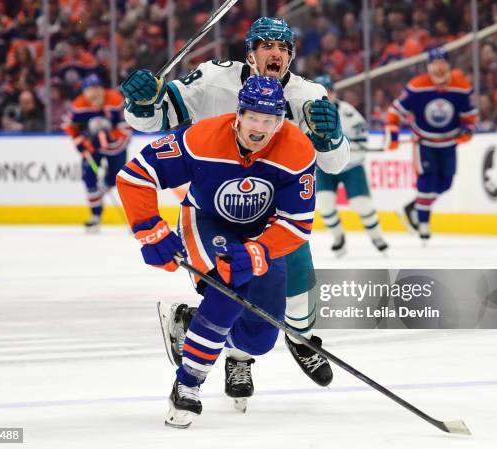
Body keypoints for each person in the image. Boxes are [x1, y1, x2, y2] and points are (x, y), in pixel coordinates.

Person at [120, 17, 344, 388]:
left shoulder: (309, 96)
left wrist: (331, 138)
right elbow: (153, 118)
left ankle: (296, 337)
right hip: (215, 210)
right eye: (267, 46)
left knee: (300, 301)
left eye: (284, 48)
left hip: (275, 218)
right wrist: (141, 102)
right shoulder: (213, 78)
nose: (277, 54)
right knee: (233, 293)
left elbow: (334, 164)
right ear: (251, 54)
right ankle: (231, 354)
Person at [116, 76, 316, 428]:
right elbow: (136, 175)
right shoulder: (201, 138)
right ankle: (188, 383)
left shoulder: (298, 151)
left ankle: (192, 322)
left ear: (280, 121)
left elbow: (297, 224)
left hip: (261, 235)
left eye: (269, 121)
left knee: (259, 340)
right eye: (253, 117)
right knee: (229, 285)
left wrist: (259, 251)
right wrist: (149, 228)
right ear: (239, 113)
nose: (260, 128)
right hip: (207, 222)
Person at [385, 47, 477, 242]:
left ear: (449, 65)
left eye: (442, 63)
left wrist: (468, 129)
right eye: (435, 64)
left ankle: (412, 208)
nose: (439, 68)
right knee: (427, 180)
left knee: (446, 183)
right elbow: (396, 110)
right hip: (424, 142)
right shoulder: (418, 86)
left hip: (449, 142)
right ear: (429, 66)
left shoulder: (461, 86)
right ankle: (423, 224)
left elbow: (469, 115)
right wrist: (392, 132)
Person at [312, 75, 388, 256]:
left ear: (334, 92)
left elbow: (362, 139)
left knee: (362, 204)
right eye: (321, 92)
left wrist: (346, 149)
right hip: (323, 167)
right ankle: (338, 237)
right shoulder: (307, 113)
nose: (326, 95)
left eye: (328, 91)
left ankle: (376, 236)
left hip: (351, 165)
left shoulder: (348, 112)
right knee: (325, 204)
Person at [62, 73, 131, 232]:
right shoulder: (79, 105)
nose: (95, 93)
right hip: (92, 147)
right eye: (90, 89)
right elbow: (68, 125)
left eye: (98, 88)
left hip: (117, 146)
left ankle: (102, 191)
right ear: (84, 92)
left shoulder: (115, 100)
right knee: (89, 176)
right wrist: (80, 143)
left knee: (116, 178)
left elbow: (127, 125)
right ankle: (95, 215)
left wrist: (111, 138)